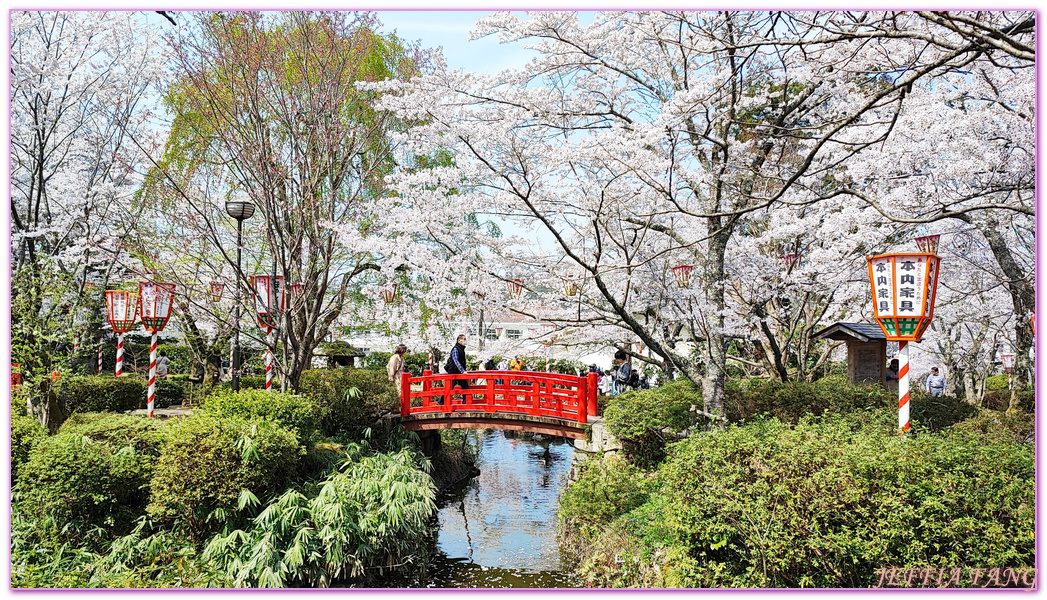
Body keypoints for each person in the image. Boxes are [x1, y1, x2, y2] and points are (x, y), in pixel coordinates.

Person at [445, 334, 470, 401]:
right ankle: (442, 402)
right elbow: (456, 361)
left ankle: (465, 403)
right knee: (450, 387)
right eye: (463, 339)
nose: (465, 341)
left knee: (465, 387)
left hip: (459, 372)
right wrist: (462, 371)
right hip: (453, 372)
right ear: (459, 340)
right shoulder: (456, 349)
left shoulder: (461, 349)